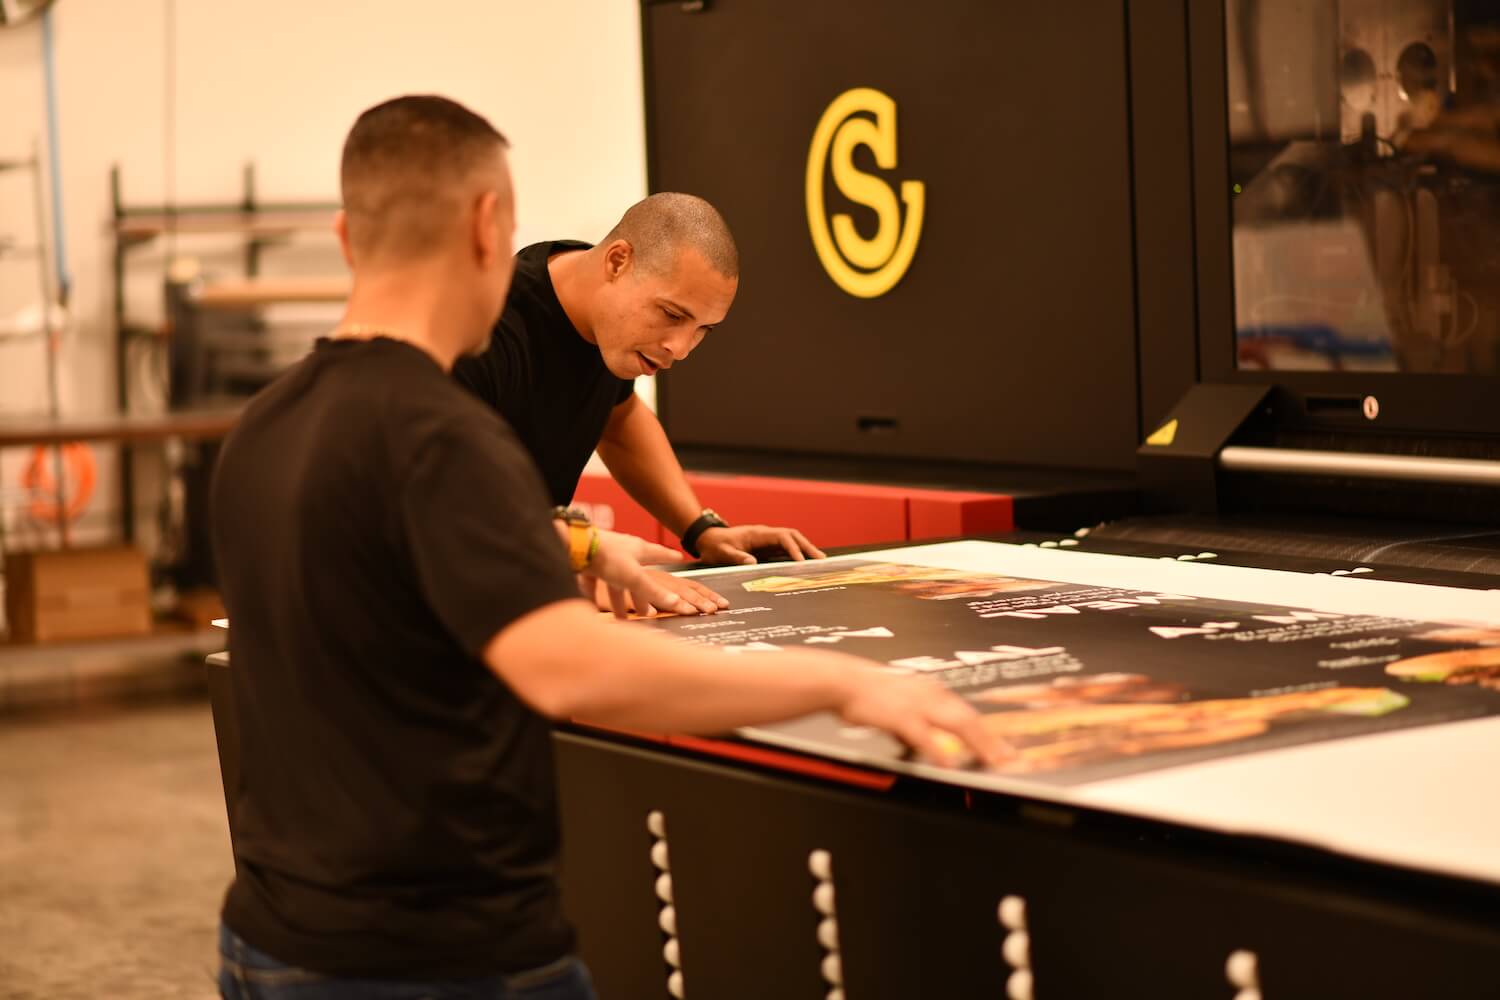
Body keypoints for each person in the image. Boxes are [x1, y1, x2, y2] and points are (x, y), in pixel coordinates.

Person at [210, 94, 1008, 999]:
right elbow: (567, 668)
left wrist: (650, 537)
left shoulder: (264, 428)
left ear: (349, 236)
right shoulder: (439, 437)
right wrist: (844, 682)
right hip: (437, 957)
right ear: (487, 225)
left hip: (268, 941)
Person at [451, 193, 826, 594]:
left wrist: (702, 530)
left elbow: (620, 417)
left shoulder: (600, 317)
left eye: (703, 329)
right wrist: (587, 561)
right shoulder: (478, 332)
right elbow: (447, 511)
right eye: (672, 315)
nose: (680, 348)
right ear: (617, 261)